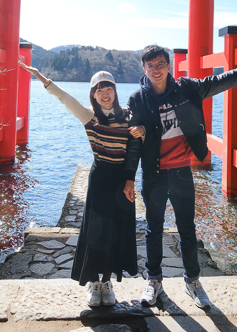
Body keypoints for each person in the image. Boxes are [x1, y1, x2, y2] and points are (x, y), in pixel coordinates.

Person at [122, 45, 237, 309]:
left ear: (169, 65)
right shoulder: (138, 99)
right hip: (153, 174)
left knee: (187, 230)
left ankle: (193, 282)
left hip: (182, 171)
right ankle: (154, 280)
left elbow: (220, 81)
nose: (156, 69)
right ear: (144, 69)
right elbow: (134, 143)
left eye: (161, 64)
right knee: (153, 230)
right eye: (150, 65)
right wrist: (129, 175)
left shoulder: (187, 88)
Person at [18, 60, 144, 307]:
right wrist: (42, 77)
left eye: (108, 88)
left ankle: (107, 282)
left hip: (121, 179)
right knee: (95, 230)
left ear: (115, 91)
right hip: (99, 179)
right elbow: (65, 99)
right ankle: (93, 282)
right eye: (99, 89)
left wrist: (142, 131)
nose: (104, 94)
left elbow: (139, 142)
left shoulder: (129, 115)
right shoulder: (89, 116)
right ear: (93, 94)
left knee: (114, 231)